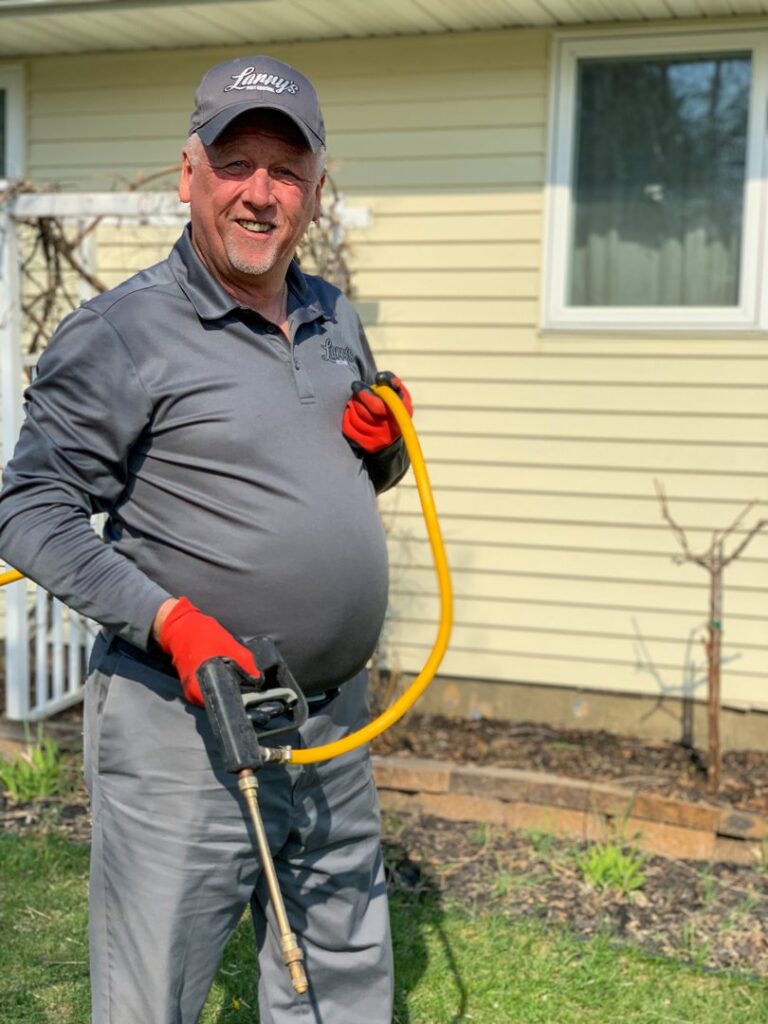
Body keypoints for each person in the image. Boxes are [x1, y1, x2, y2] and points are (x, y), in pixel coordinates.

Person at [0, 55, 414, 1024]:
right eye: (236, 164)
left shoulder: (332, 316)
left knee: (339, 973)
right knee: (155, 989)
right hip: (184, 729)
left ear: (315, 189)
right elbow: (30, 508)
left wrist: (384, 449)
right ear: (189, 174)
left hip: (330, 723)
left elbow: (343, 482)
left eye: (286, 170)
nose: (260, 193)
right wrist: (172, 621)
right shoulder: (122, 332)